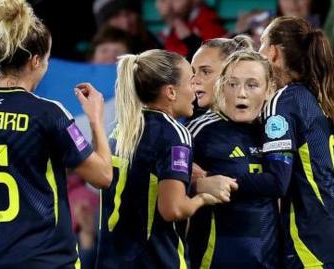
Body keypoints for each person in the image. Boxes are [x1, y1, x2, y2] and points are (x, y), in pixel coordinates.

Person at [0, 0, 112, 268]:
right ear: (35, 60)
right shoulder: (48, 113)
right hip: (43, 259)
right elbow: (103, 176)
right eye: (47, 59)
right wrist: (95, 119)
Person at [220, 16, 334, 268]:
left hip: (311, 241)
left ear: (274, 52)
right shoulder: (313, 96)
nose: (258, 52)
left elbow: (278, 180)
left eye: (262, 44)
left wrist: (222, 180)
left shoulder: (283, 101)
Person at [95, 49, 236, 269]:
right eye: (191, 81)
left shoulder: (121, 129)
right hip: (155, 260)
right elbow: (174, 209)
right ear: (171, 92)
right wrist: (203, 197)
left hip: (110, 260)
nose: (196, 88)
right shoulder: (174, 133)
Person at [188, 50, 280, 269]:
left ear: (269, 90)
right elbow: (162, 183)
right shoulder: (200, 131)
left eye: (252, 85)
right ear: (222, 87)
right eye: (232, 84)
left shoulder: (277, 132)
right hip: (215, 261)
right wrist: (198, 184)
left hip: (271, 261)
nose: (241, 94)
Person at [189, 35, 254, 117]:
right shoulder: (199, 128)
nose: (194, 81)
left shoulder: (265, 120)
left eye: (205, 72)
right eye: (193, 73)